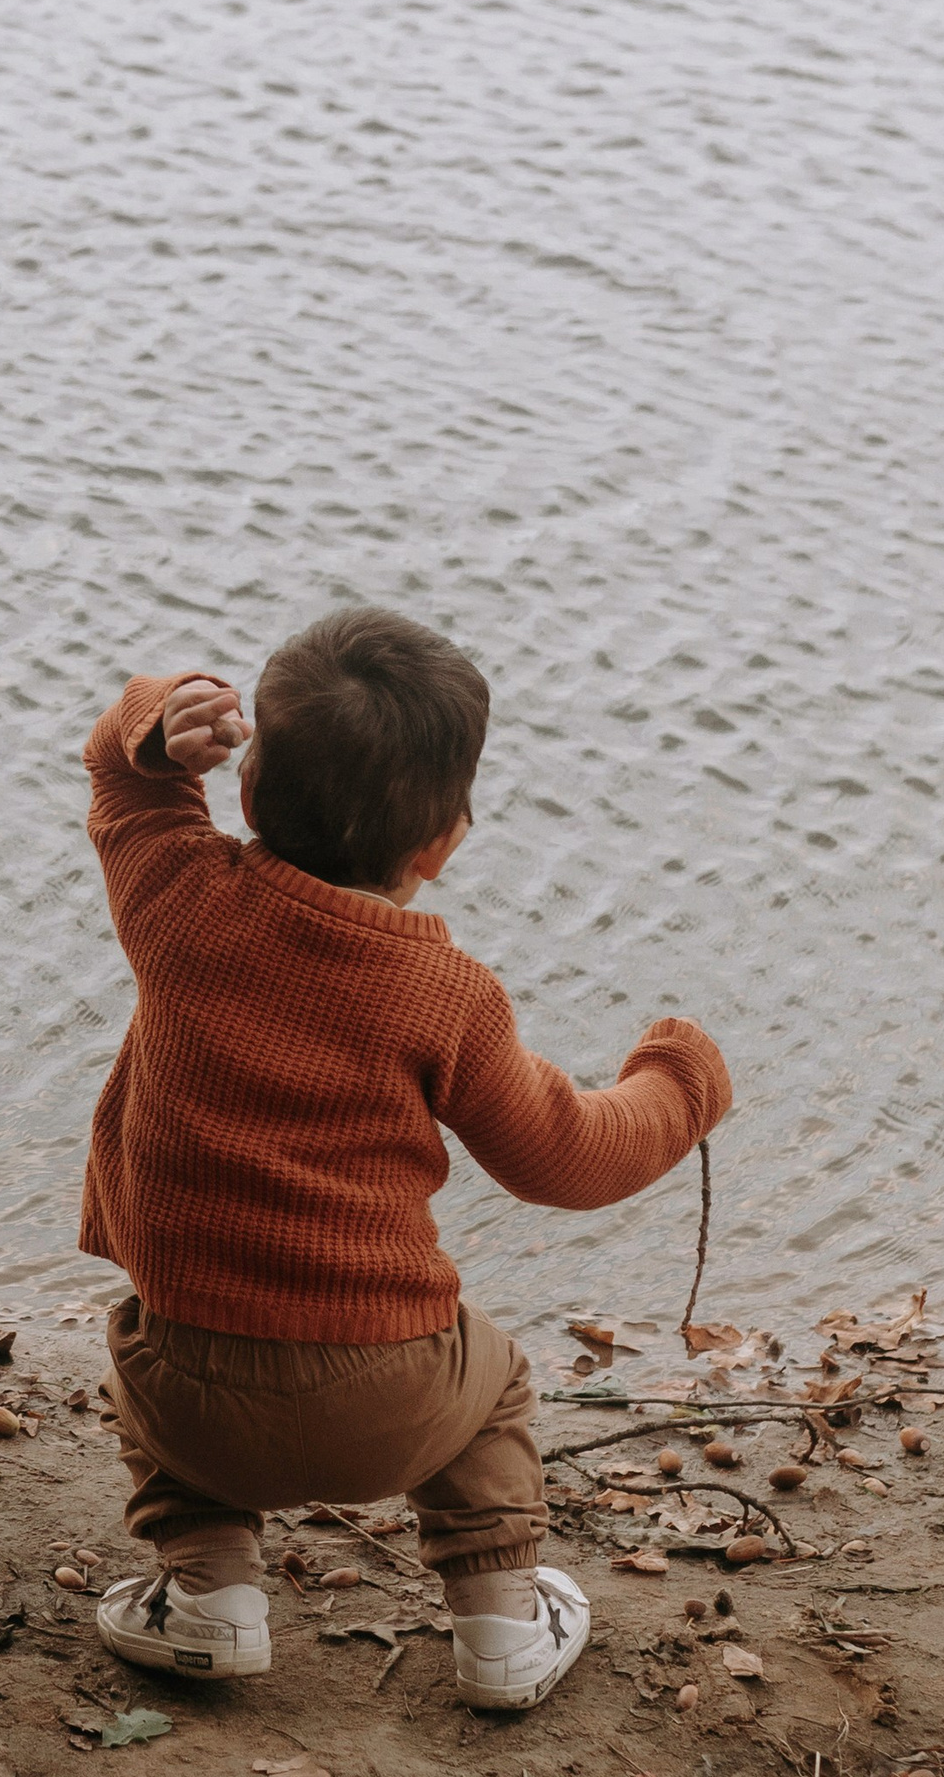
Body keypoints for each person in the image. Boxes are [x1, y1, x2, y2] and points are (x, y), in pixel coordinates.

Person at [79, 607, 730, 1714]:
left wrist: (162, 714)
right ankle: (499, 1630)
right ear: (445, 842)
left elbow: (120, 782)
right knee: (495, 1383)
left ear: (245, 791)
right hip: (388, 1405)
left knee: (144, 1347)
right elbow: (563, 1154)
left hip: (188, 1387)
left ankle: (210, 1600)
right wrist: (679, 1083)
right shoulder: (446, 992)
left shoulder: (176, 898)